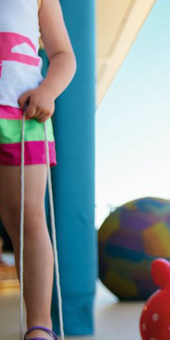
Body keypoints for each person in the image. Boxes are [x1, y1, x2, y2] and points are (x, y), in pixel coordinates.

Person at [0, 0, 76, 339]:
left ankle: (39, 327)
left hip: (21, 115)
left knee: (28, 218)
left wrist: (48, 90)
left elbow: (63, 54)